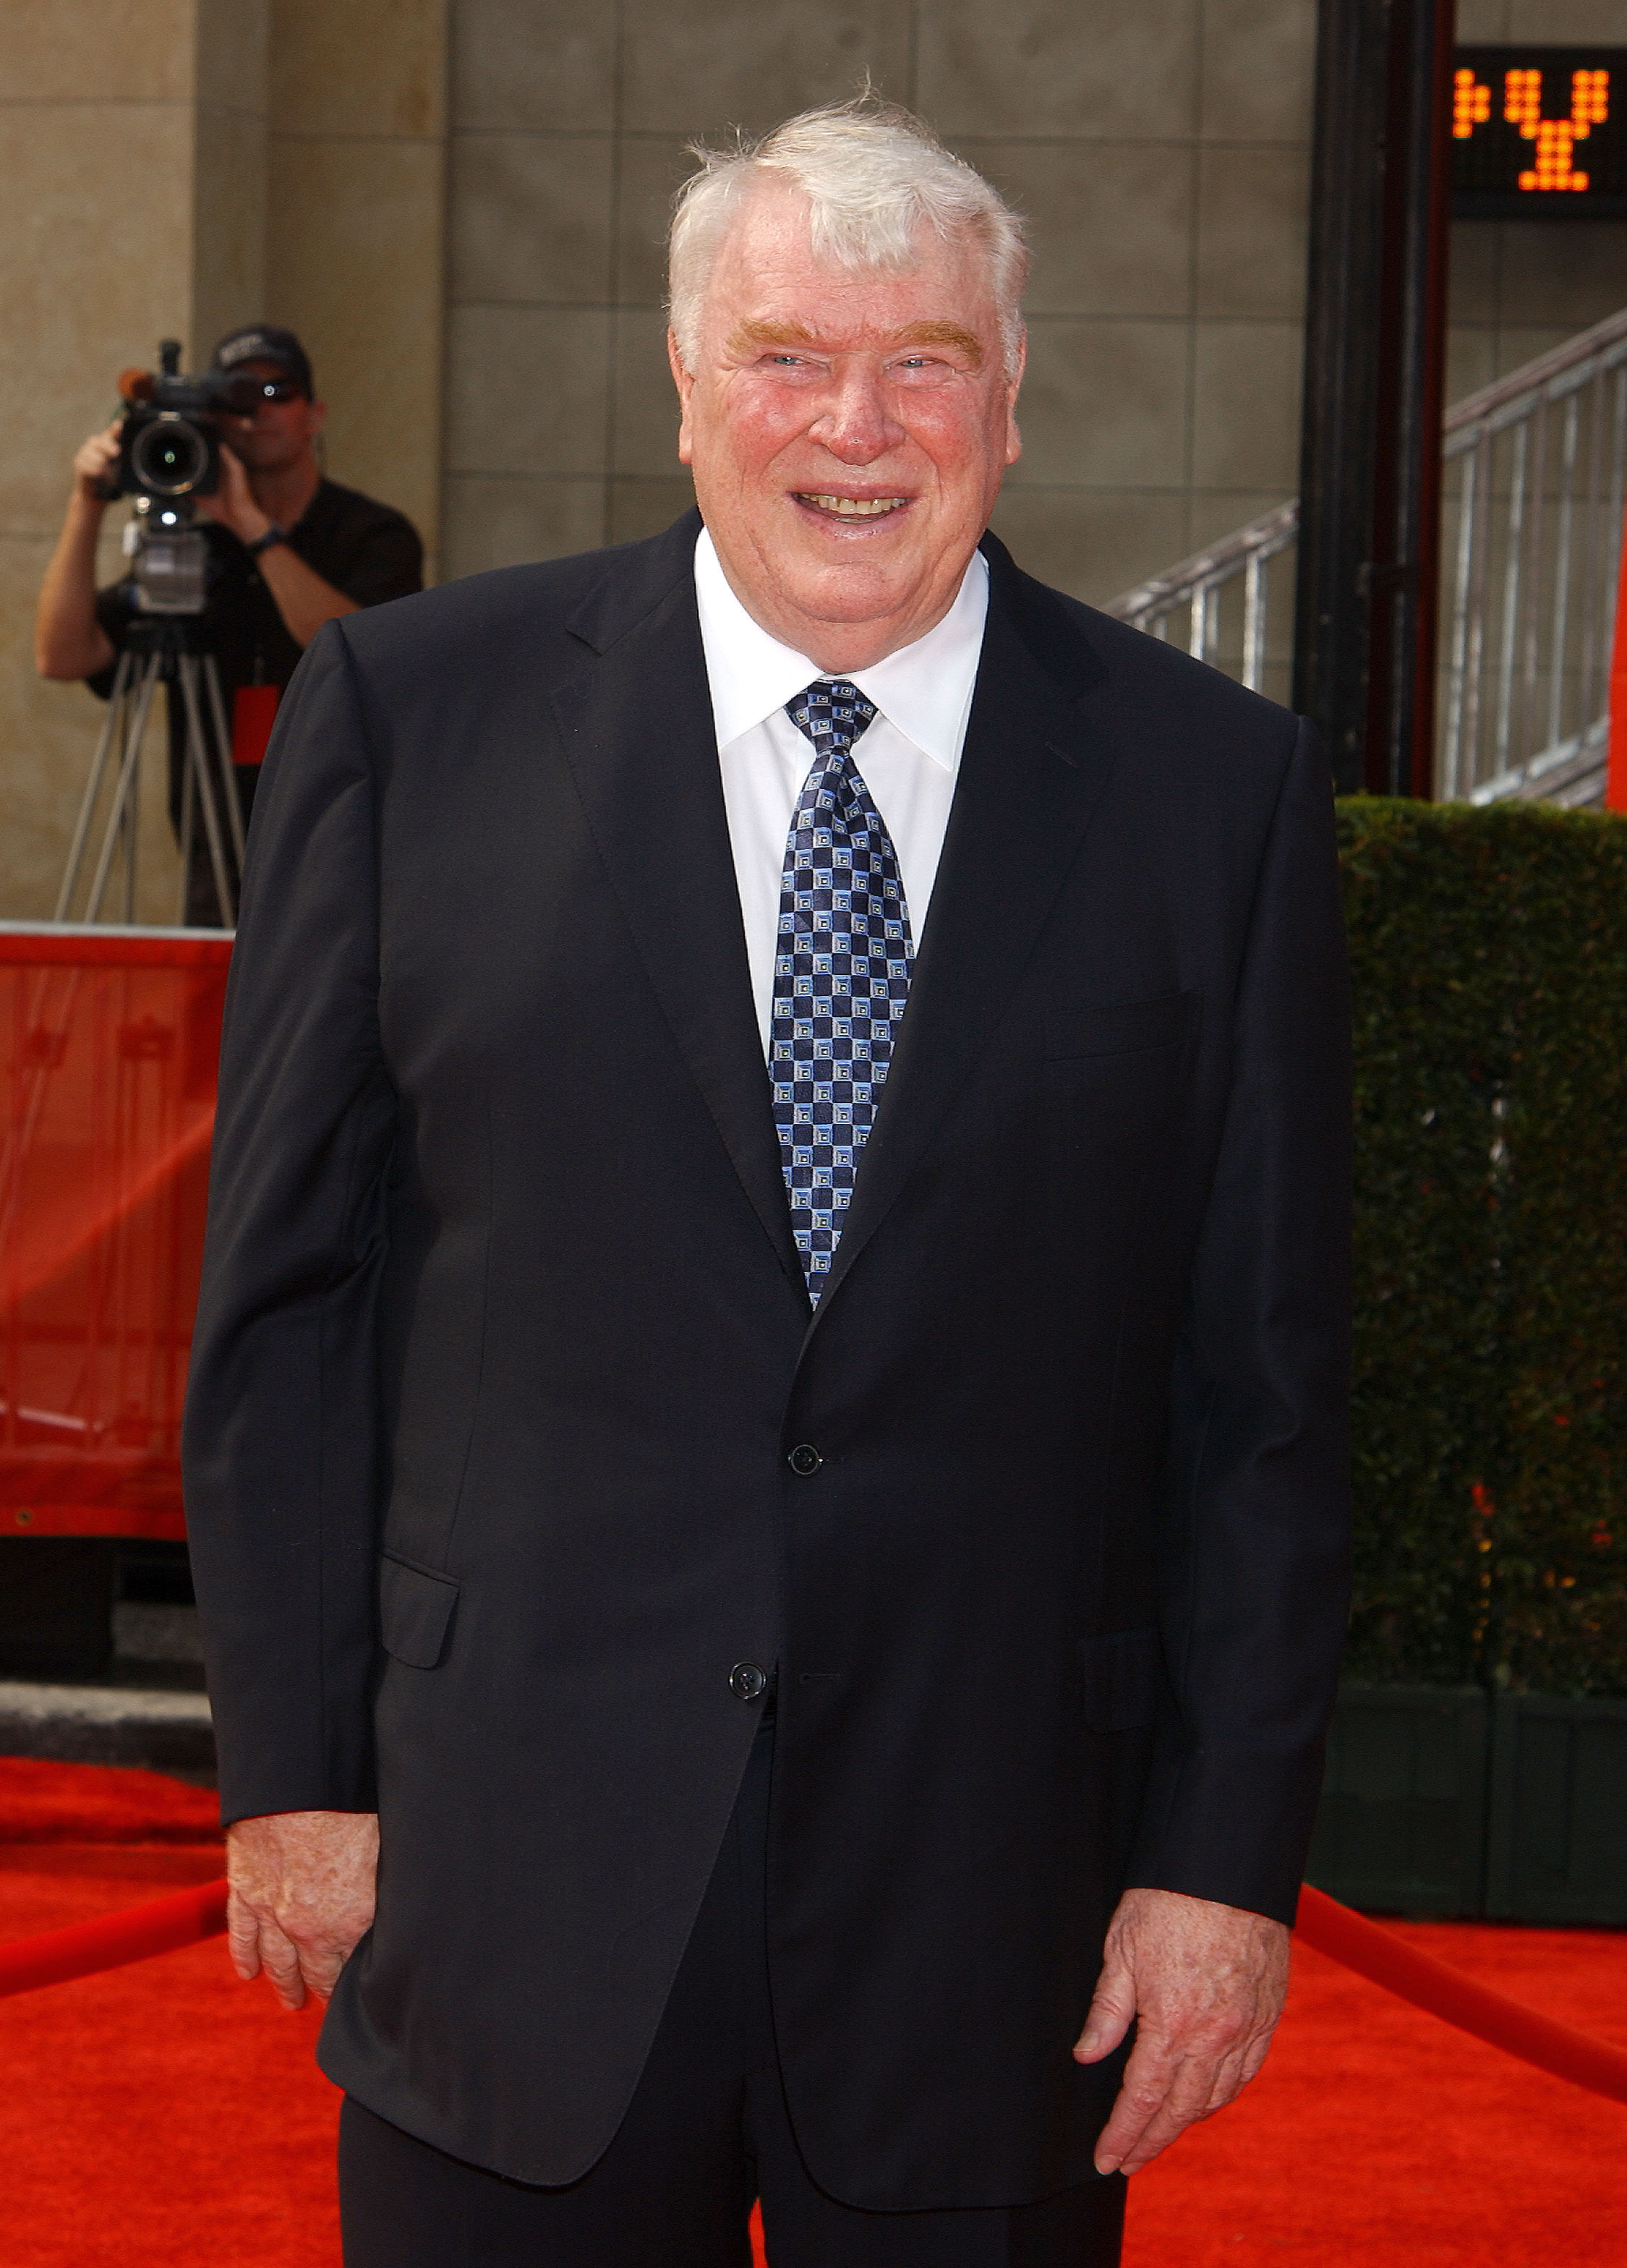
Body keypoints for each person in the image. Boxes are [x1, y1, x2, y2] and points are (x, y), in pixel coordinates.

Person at [182, 100, 1351, 2268]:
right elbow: (287, 1308)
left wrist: (1222, 1862)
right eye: (790, 353)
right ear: (684, 383)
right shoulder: (410, 716)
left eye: (925, 359)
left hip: (996, 1910)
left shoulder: (1220, 792)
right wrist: (292, 1769)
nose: (856, 422)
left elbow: (1265, 1393)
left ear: (1013, 401)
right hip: (496, 1875)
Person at [35, 325, 422, 924]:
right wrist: (86, 503)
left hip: (346, 853)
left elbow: (357, 648)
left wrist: (251, 526)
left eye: (278, 392)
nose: (256, 414)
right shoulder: (196, 549)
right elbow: (62, 657)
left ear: (314, 415)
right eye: (238, 400)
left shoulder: (375, 535)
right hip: (216, 856)